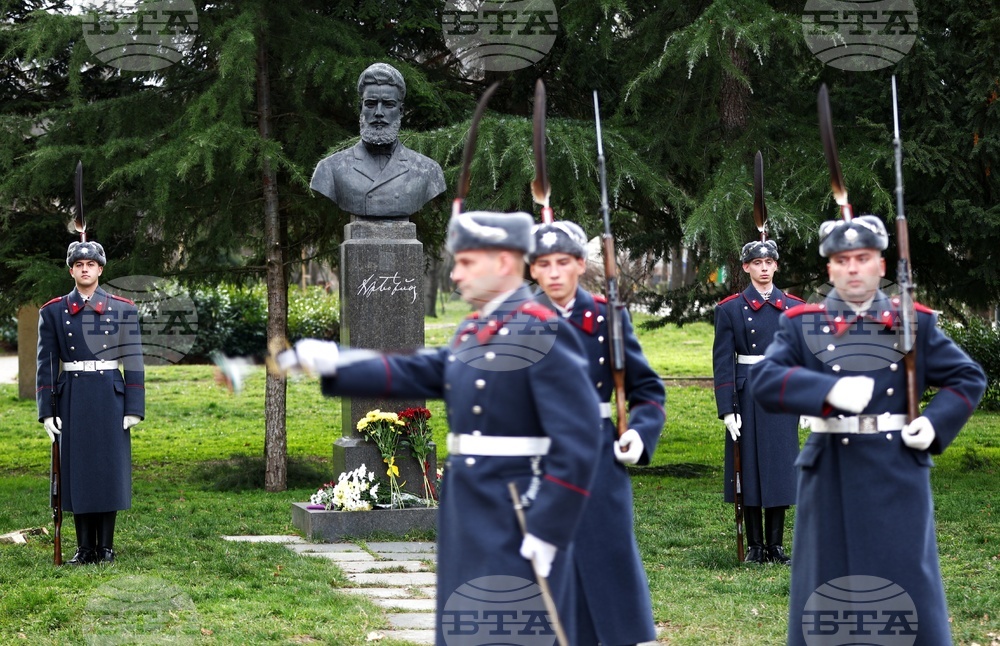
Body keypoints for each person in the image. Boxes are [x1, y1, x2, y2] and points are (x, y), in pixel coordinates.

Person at [278, 211, 603, 645]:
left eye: (467, 263)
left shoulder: (542, 332)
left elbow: (580, 443)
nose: (455, 274)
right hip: (470, 508)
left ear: (504, 264)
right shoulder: (475, 330)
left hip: (520, 511)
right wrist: (337, 361)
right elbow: (420, 370)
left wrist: (549, 528)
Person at [749, 215, 986, 645]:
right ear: (830, 269)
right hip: (830, 472)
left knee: (905, 580)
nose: (853, 267)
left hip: (897, 469)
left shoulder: (915, 323)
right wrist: (831, 389)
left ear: (881, 264)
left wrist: (933, 425)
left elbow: (967, 378)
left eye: (863, 257)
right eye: (843, 259)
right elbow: (766, 382)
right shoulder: (802, 324)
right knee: (826, 586)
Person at [528, 220, 665, 646]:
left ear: (580, 264)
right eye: (543, 264)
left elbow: (648, 392)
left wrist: (639, 434)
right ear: (532, 269)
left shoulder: (610, 319)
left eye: (563, 262)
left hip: (598, 464)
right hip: (537, 463)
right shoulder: (517, 321)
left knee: (606, 570)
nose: (553, 273)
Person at [36, 240, 144, 565]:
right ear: (71, 270)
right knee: (78, 471)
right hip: (72, 396)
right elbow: (45, 364)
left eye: (91, 265)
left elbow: (134, 359)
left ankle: (106, 548)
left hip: (110, 396)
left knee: (108, 472)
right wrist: (46, 412)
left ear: (100, 270)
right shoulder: (53, 311)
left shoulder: (123, 309)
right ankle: (84, 548)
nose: (85, 269)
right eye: (79, 265)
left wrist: (134, 407)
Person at [712, 239, 803, 564]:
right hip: (747, 393)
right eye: (757, 263)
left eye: (769, 262)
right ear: (746, 267)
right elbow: (723, 362)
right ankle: (754, 545)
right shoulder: (730, 309)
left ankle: (776, 545)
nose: (764, 268)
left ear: (776, 265)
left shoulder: (794, 307)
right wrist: (726, 408)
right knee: (747, 466)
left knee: (779, 467)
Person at [310, 62, 446, 218]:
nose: (379, 113)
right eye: (371, 104)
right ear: (360, 108)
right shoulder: (330, 169)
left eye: (388, 105)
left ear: (401, 111)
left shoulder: (428, 171)